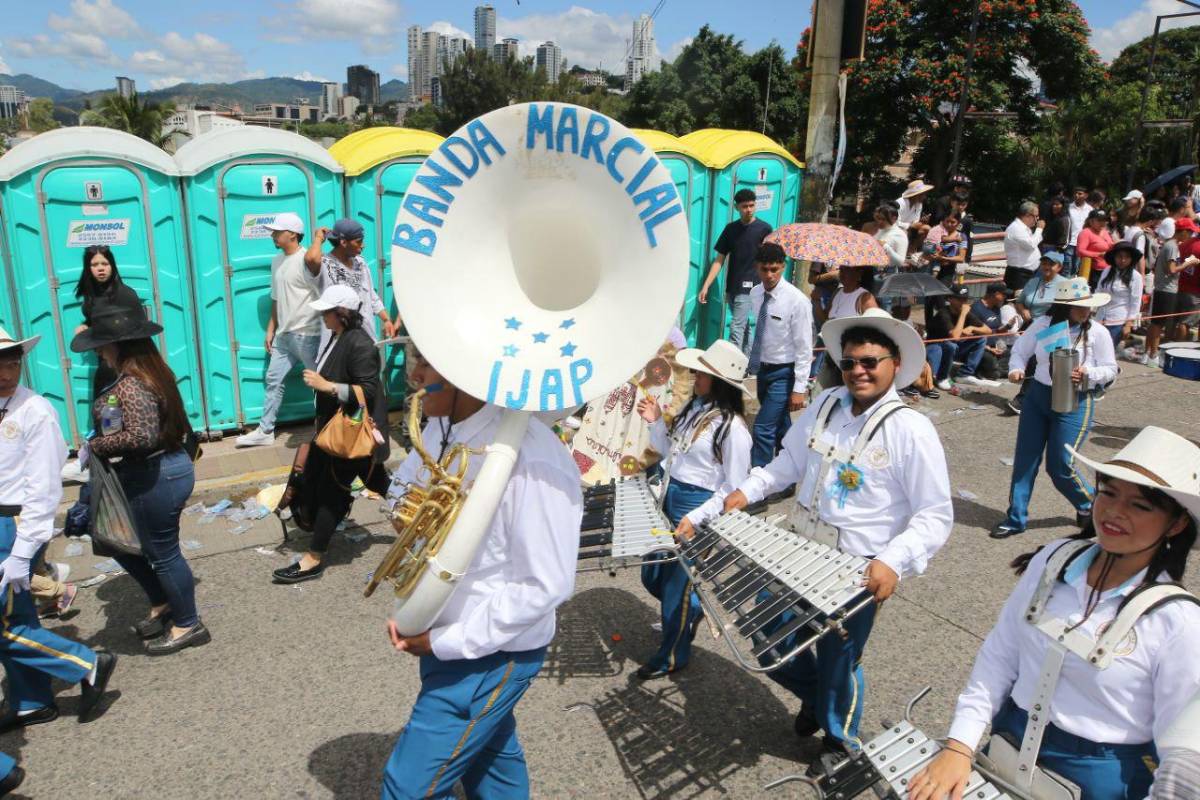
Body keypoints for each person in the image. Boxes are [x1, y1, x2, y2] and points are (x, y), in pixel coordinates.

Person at [909, 426, 1200, 800]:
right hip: (1008, 746)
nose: (1113, 511)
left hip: (1101, 781)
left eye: (1139, 505)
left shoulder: (1179, 622)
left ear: (1176, 523)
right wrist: (959, 745)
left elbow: (1184, 757)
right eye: (1107, 492)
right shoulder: (1053, 560)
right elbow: (1001, 654)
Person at [723, 309, 953, 774]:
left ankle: (840, 739)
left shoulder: (911, 429)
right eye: (849, 362)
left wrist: (893, 561)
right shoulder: (826, 403)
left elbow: (934, 514)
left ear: (894, 363)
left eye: (870, 361)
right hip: (798, 549)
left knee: (838, 655)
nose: (858, 371)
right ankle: (819, 696)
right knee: (766, 636)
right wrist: (748, 490)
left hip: (857, 566)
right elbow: (788, 463)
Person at [379, 348, 581, 800]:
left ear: (461, 374)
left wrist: (443, 643)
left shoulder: (534, 458)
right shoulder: (440, 429)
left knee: (407, 789)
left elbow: (544, 584)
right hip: (444, 632)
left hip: (490, 651)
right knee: (492, 764)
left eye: (427, 364)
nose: (414, 375)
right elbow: (398, 492)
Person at [69, 305, 208, 655]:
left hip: (156, 474)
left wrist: (95, 444)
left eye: (101, 345)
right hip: (157, 471)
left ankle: (187, 624)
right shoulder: (149, 375)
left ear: (120, 346)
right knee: (123, 543)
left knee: (162, 554)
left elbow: (142, 437)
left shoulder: (133, 385)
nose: (99, 352)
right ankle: (163, 603)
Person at [0, 327, 117, 731]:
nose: (6, 371)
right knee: (19, 623)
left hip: (14, 523)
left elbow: (45, 487)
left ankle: (86, 664)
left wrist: (23, 549)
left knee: (5, 627)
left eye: (13, 361)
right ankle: (31, 701)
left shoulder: (35, 411)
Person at [633, 339, 752, 679]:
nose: (695, 377)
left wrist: (696, 517)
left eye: (702, 373)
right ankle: (691, 608)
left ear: (720, 381)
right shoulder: (695, 410)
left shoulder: (733, 429)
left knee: (675, 585)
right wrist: (656, 421)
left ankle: (672, 654)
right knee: (652, 572)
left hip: (697, 508)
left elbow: (734, 489)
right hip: (670, 496)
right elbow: (671, 452)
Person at [271, 285, 392, 584]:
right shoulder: (338, 337)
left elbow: (369, 390)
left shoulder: (360, 344)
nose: (322, 315)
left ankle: (313, 559)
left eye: (326, 310)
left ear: (342, 314)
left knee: (333, 493)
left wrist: (327, 387)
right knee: (380, 482)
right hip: (338, 431)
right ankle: (420, 531)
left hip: (351, 434)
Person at [992, 278, 1118, 539]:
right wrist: (1015, 369)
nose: (1087, 312)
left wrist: (1088, 372)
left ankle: (1089, 505)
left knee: (1060, 465)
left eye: (1089, 306)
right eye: (1080, 307)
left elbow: (1110, 369)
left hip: (1076, 400)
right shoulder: (1042, 325)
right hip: (1038, 397)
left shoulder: (1097, 332)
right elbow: (1019, 352)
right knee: (1025, 460)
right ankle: (1015, 518)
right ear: (1063, 307)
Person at [237, 212, 322, 447]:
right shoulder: (277, 261)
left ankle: (326, 430)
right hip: (284, 336)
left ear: (292, 234)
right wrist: (270, 329)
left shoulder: (308, 260)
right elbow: (276, 298)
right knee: (273, 380)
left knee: (320, 384)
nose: (272, 235)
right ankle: (265, 431)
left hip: (308, 333)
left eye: (277, 231)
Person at [746, 242, 813, 467]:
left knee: (763, 428)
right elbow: (755, 329)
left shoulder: (797, 301)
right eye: (764, 269)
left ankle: (758, 484)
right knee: (782, 427)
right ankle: (788, 475)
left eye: (774, 269)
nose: (769, 275)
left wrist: (799, 389)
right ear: (757, 267)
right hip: (763, 370)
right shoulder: (755, 294)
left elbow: (805, 348)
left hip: (784, 373)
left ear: (783, 267)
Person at [698, 189, 773, 355]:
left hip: (752, 286)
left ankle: (731, 368)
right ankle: (747, 365)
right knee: (744, 326)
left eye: (752, 205)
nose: (749, 209)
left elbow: (771, 260)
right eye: (745, 206)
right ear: (736, 207)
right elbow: (719, 260)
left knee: (736, 328)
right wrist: (706, 286)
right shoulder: (731, 229)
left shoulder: (764, 229)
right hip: (732, 286)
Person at [305, 218, 398, 351]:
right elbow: (311, 258)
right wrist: (319, 238)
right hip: (337, 344)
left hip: (365, 339)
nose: (363, 245)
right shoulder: (325, 264)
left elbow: (371, 295)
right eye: (358, 242)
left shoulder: (360, 263)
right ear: (343, 242)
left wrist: (386, 319)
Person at [73, 245, 143, 402]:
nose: (100, 269)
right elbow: (99, 321)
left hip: (127, 365)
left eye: (105, 264)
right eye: (95, 265)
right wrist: (86, 326)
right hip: (106, 361)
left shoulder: (125, 294)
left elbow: (140, 331)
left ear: (112, 266)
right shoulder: (90, 295)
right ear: (87, 268)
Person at [1144, 218, 1199, 368]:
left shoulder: (1173, 245)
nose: (1191, 235)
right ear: (1184, 232)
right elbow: (1172, 269)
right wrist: (1189, 263)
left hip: (1167, 288)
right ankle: (1153, 355)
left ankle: (1148, 353)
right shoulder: (1172, 246)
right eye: (1190, 232)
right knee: (1159, 324)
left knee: (1157, 323)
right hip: (1166, 289)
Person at [923, 285, 996, 390]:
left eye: (965, 299)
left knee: (981, 338)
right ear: (950, 299)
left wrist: (972, 328)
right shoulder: (943, 313)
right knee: (951, 345)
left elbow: (988, 330)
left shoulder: (966, 313)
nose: (963, 302)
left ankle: (964, 374)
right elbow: (955, 336)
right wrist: (963, 315)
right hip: (936, 347)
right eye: (959, 299)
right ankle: (942, 377)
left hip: (955, 347)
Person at [1096, 241, 1145, 352]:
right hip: (1100, 317)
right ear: (1114, 257)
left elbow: (1135, 302)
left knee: (1107, 350)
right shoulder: (1107, 271)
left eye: (1126, 257)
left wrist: (1128, 324)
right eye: (1119, 257)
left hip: (1118, 320)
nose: (1122, 260)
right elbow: (1098, 290)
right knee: (1096, 348)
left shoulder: (1135, 277)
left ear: (1131, 259)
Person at [970, 282, 1020, 378]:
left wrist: (1008, 326)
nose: (1005, 297)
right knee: (991, 363)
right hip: (979, 347)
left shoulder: (997, 309)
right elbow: (971, 335)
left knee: (1012, 352)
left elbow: (996, 331)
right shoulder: (976, 308)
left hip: (994, 347)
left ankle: (995, 369)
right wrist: (988, 348)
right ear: (996, 294)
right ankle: (993, 370)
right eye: (1003, 294)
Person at [1014, 251, 1069, 325]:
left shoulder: (1066, 284)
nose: (1046, 267)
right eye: (1044, 264)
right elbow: (1019, 302)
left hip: (1053, 327)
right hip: (1030, 325)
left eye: (1051, 264)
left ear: (1059, 267)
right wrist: (1023, 310)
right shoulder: (1033, 282)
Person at [1003, 202, 1044, 291]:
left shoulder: (1024, 228)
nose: (1037, 219)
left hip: (1027, 273)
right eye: (1036, 216)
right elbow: (1031, 245)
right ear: (1027, 215)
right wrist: (1039, 229)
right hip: (1019, 274)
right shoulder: (1016, 228)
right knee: (1016, 302)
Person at [923, 211, 966, 284]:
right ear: (943, 221)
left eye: (953, 222)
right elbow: (926, 250)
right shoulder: (937, 231)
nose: (949, 224)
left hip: (947, 272)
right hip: (930, 265)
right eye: (947, 221)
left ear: (958, 223)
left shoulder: (961, 237)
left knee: (941, 293)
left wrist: (943, 258)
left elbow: (961, 258)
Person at [1076, 209, 1114, 281]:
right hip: (1092, 272)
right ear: (1091, 221)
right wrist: (1099, 254)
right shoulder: (1086, 233)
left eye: (1104, 220)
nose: (1103, 223)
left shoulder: (1105, 232)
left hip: (1108, 270)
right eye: (1099, 220)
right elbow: (1080, 251)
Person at [873, 203, 908, 275]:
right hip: (873, 270)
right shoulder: (880, 231)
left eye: (883, 219)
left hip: (886, 273)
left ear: (894, 219)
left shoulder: (900, 234)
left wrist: (886, 247)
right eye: (878, 218)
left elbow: (900, 262)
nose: (879, 222)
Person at [1066, 186, 1093, 273]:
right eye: (1075, 193)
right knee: (1067, 269)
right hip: (1069, 243)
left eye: (1080, 193)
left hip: (1083, 245)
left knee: (1077, 270)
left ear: (1086, 195)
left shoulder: (1090, 210)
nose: (1076, 195)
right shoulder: (1068, 208)